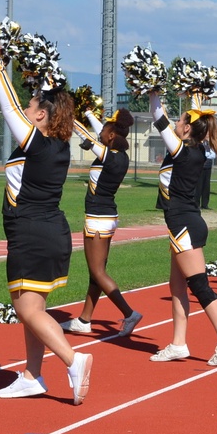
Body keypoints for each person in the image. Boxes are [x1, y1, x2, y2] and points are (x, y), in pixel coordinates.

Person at [0, 44, 92, 404]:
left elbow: (7, 107)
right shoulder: (57, 146)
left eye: (31, 106)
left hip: (32, 232)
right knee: (31, 308)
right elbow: (35, 104)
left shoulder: (38, 144)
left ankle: (73, 360)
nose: (25, 109)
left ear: (41, 116)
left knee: (27, 310)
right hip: (45, 231)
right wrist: (43, 79)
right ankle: (32, 375)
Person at [147, 90, 217, 365]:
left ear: (187, 128)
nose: (175, 122)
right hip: (185, 224)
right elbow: (194, 119)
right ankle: (178, 344)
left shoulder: (183, 151)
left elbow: (159, 119)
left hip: (184, 225)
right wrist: (195, 96)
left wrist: (153, 94)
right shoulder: (197, 148)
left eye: (180, 120)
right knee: (177, 286)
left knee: (199, 286)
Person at [62, 108, 143, 337]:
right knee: (95, 272)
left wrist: (68, 116)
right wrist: (87, 112)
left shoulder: (113, 158)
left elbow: (89, 139)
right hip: (106, 218)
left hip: (98, 219)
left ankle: (129, 314)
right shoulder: (117, 154)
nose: (100, 135)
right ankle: (84, 320)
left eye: (104, 134)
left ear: (110, 138)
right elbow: (100, 132)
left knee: (98, 272)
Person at [197, 140, 216, 209]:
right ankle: (196, 204)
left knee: (206, 186)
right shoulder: (198, 142)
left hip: (208, 167)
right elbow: (203, 154)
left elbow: (213, 155)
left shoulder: (208, 144)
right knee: (198, 186)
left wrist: (208, 154)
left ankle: (205, 205)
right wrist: (208, 154)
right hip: (200, 167)